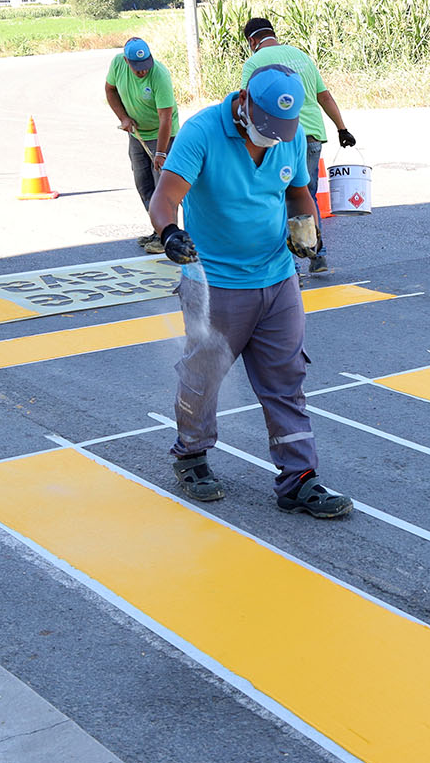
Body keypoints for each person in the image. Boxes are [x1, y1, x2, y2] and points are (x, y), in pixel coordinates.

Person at [148, 65, 353, 519]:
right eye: (265, 131)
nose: (272, 140)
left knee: (286, 379)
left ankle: (298, 478)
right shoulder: (202, 132)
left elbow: (299, 193)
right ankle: (191, 456)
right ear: (243, 102)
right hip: (216, 286)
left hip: (278, 280)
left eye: (280, 133)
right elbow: (164, 197)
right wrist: (169, 233)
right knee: (203, 377)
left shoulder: (289, 134)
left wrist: (306, 228)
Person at [241, 17, 353, 277]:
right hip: (312, 135)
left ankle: (289, 267)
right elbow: (323, 95)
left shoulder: (255, 62)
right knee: (307, 195)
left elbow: (246, 100)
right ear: (273, 34)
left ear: (252, 41)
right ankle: (318, 255)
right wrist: (342, 128)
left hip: (280, 136)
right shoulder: (300, 56)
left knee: (279, 197)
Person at [103, 36, 176, 252]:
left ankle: (168, 237)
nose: (143, 72)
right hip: (137, 135)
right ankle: (158, 230)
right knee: (144, 184)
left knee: (163, 186)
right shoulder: (117, 64)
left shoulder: (159, 75)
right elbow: (110, 90)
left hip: (163, 135)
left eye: (145, 67)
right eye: (137, 68)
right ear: (126, 61)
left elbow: (166, 118)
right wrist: (123, 118)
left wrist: (161, 153)